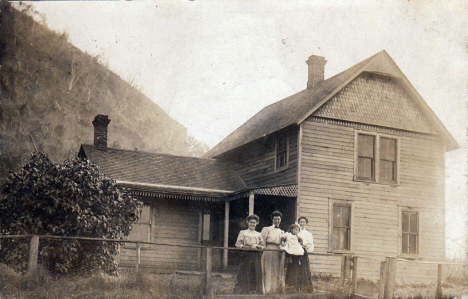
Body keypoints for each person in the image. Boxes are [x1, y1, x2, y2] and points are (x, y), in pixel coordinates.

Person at [234, 214, 264, 294]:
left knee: (255, 272)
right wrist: (247, 247)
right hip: (246, 254)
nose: (252, 224)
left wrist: (257, 246)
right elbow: (237, 244)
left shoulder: (258, 234)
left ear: (256, 223)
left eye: (254, 222)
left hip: (256, 255)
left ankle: (254, 291)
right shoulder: (243, 233)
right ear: (248, 222)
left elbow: (262, 246)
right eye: (251, 222)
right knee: (245, 272)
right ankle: (244, 291)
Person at [283, 216, 314, 294]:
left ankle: (305, 289)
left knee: (303, 270)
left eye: (304, 222)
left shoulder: (308, 234)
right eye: (301, 222)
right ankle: (292, 289)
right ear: (298, 223)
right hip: (294, 253)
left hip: (303, 253)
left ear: (306, 223)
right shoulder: (295, 231)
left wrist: (303, 244)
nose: (302, 223)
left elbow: (309, 244)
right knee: (293, 270)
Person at [261, 210, 284, 294]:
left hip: (278, 251)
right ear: (272, 219)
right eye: (275, 219)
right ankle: (267, 290)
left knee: (276, 270)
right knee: (268, 270)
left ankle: (276, 290)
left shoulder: (282, 232)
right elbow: (262, 241)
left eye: (278, 219)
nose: (277, 221)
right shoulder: (267, 229)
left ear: (280, 220)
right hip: (269, 250)